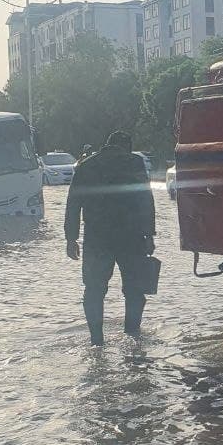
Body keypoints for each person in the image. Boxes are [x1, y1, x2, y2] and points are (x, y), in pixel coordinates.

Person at [64, 131, 156, 345]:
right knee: (134, 290)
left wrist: (71, 238)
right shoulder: (134, 163)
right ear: (127, 147)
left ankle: (96, 340)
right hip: (131, 237)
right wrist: (149, 234)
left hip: (97, 237)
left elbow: (73, 202)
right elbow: (146, 199)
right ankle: (132, 336)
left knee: (94, 290)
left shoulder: (86, 165)